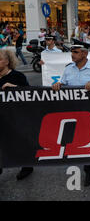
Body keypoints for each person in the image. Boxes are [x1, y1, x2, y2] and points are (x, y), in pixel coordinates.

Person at [52, 42, 90, 186]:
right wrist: (59, 85)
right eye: (72, 52)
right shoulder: (68, 69)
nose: (72, 54)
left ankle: (89, 170)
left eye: (75, 52)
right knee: (73, 140)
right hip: (72, 111)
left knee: (88, 141)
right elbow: (63, 83)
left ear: (84, 53)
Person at [0, 49, 34, 180]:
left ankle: (26, 166)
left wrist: (16, 89)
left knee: (20, 143)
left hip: (16, 118)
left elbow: (31, 94)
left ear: (7, 62)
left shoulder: (18, 76)